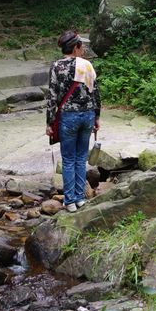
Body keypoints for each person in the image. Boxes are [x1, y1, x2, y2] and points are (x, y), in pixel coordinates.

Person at [45, 30, 101, 212]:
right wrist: (97, 116)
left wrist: (49, 122)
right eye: (81, 46)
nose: (83, 48)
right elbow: (95, 92)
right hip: (87, 116)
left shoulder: (56, 66)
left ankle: (69, 202)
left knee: (68, 159)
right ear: (76, 47)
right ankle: (80, 198)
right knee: (81, 157)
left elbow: (52, 96)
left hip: (68, 117)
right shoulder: (87, 65)